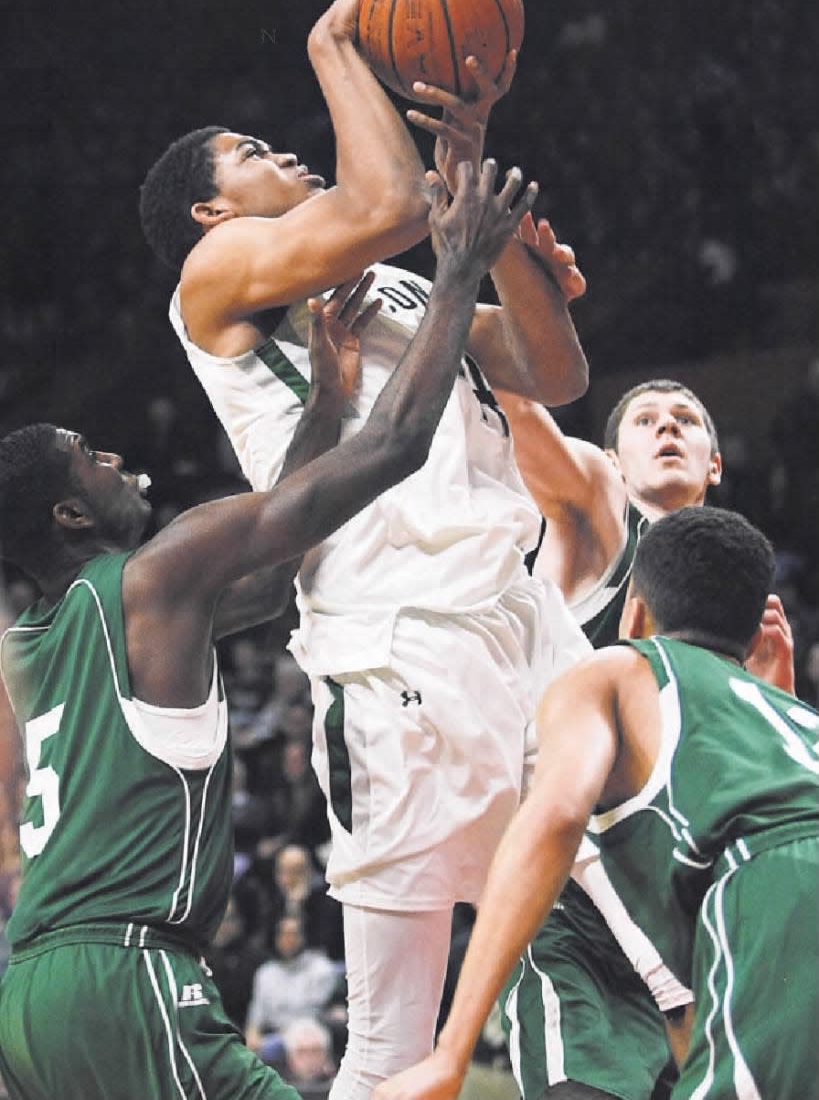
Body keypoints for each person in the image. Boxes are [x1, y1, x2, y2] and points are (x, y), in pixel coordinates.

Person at [138, 0, 591, 1099]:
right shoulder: (217, 276)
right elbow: (381, 202)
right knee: (393, 1043)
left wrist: (483, 188)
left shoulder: (386, 284)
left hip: (524, 612)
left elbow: (554, 368)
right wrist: (332, 42)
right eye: (250, 153)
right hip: (397, 639)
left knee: (619, 934)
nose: (281, 149)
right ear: (208, 208)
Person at [0, 155, 535, 1100]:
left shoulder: (37, 644)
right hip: (126, 972)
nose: (114, 454)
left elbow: (274, 576)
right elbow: (398, 446)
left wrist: (324, 399)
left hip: (30, 990)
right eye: (89, 456)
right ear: (69, 518)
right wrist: (456, 270)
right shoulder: (155, 576)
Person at [376, 505, 819, 1100]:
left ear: (634, 614)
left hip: (775, 887)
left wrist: (451, 1053)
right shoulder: (795, 716)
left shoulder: (616, 669)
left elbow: (555, 817)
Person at [494, 361, 795, 1099]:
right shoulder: (597, 519)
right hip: (580, 909)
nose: (667, 425)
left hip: (692, 917)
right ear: (611, 460)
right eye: (646, 419)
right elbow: (517, 416)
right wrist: (495, 320)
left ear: (715, 464)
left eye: (685, 420)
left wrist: (776, 687)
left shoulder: (736, 594)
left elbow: (736, 773)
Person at [244, 916, 343, 1060]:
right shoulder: (265, 973)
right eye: (283, 934)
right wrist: (252, 1037)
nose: (288, 940)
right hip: (275, 1038)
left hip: (311, 1034)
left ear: (304, 936)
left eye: (294, 934)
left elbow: (319, 1012)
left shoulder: (321, 968)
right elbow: (256, 1018)